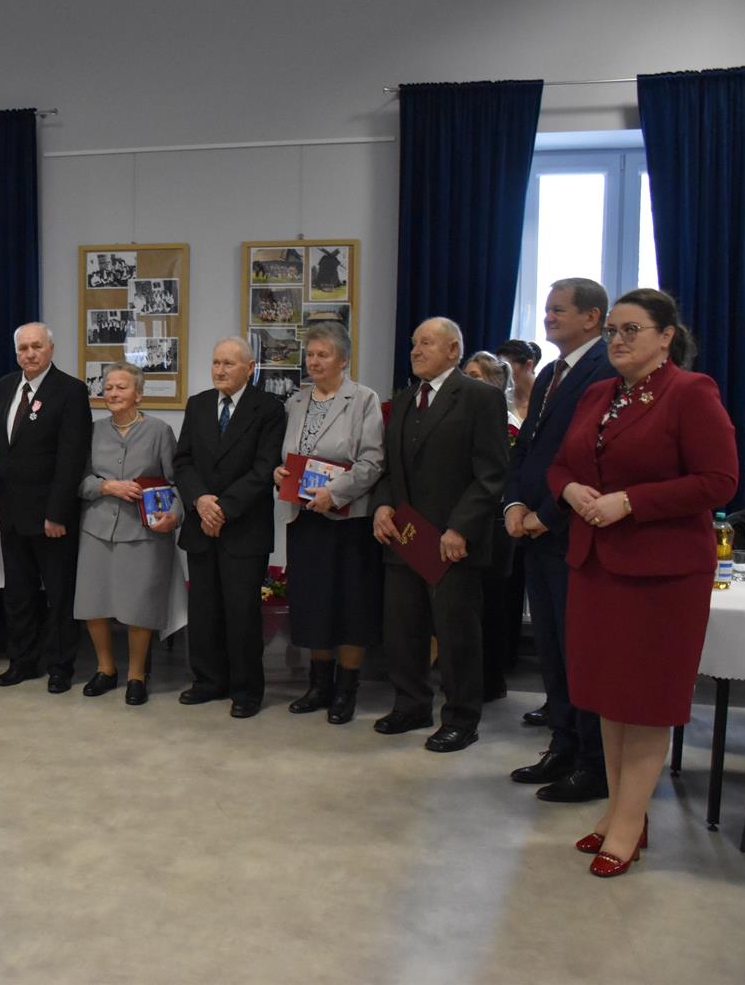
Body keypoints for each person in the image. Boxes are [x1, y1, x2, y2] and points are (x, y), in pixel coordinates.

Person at [548, 288, 737, 876]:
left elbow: (719, 480)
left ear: (665, 337)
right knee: (611, 696)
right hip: (597, 566)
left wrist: (631, 501)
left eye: (632, 330)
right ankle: (619, 811)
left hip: (662, 574)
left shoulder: (690, 392)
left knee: (647, 699)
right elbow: (562, 463)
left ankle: (630, 823)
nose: (619, 340)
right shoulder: (599, 394)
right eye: (612, 331)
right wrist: (569, 489)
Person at [371, 317, 508, 751]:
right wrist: (383, 505)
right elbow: (391, 467)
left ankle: (461, 718)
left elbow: (491, 473)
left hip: (451, 541)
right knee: (403, 628)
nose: (415, 350)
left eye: (426, 343)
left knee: (455, 634)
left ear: (453, 350)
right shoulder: (405, 399)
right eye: (414, 343)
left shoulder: (480, 397)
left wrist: (461, 527)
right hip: (406, 535)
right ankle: (411, 704)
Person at [504, 278, 615, 803]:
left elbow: (590, 459)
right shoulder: (551, 372)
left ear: (591, 317)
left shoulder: (605, 369)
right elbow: (526, 448)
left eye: (558, 310)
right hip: (535, 531)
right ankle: (562, 745)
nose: (547, 317)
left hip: (572, 531)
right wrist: (513, 505)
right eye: (546, 309)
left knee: (580, 652)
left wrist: (547, 516)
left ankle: (593, 763)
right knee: (551, 648)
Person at [272, 322, 384, 724]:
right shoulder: (296, 401)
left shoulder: (363, 399)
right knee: (313, 603)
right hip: (305, 519)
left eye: (323, 354)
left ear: (343, 360)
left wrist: (334, 494)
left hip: (347, 520)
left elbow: (372, 461)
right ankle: (318, 686)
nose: (314, 361)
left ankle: (346, 690)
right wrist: (278, 474)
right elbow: (287, 456)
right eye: (310, 354)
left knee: (350, 605)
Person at [174, 337, 286, 719]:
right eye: (215, 362)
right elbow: (183, 461)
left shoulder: (269, 408)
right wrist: (200, 500)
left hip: (244, 527)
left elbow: (264, 468)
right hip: (201, 522)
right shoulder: (198, 404)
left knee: (242, 614)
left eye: (228, 364)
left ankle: (246, 689)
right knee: (204, 610)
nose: (219, 370)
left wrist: (222, 508)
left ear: (250, 368)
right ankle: (208, 681)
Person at [0, 323, 92, 692]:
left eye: (36, 347)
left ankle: (61, 665)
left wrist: (57, 513)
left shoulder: (71, 390)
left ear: (51, 349)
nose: (29, 354)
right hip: (11, 512)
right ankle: (22, 661)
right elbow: (0, 451)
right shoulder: (5, 386)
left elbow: (71, 457)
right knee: (18, 594)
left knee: (59, 595)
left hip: (52, 515)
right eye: (23, 348)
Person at [73, 362, 182, 706]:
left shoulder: (160, 431)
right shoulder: (91, 431)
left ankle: (137, 675)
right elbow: (77, 480)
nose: (113, 393)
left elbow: (177, 482)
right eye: (108, 388)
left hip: (144, 532)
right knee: (93, 602)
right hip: (97, 528)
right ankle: (105, 669)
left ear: (139, 394)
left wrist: (175, 515)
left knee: (139, 605)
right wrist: (106, 486)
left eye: (121, 387)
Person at [463, 349, 521, 702]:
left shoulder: (509, 424)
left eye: (475, 377)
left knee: (492, 604)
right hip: (465, 520)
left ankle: (491, 678)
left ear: (495, 383)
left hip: (496, 523)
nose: (467, 384)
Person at [495, 339, 542, 422]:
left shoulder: (546, 397)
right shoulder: (502, 400)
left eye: (507, 367)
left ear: (528, 365)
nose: (502, 373)